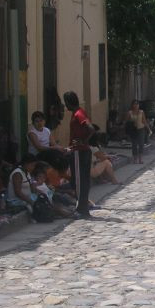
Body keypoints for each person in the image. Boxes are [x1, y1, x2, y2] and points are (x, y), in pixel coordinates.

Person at [64, 90, 95, 219]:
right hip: (81, 151)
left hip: (79, 151)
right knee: (82, 180)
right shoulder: (79, 112)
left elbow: (91, 128)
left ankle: (81, 209)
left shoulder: (78, 114)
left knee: (78, 182)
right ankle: (83, 207)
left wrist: (83, 141)